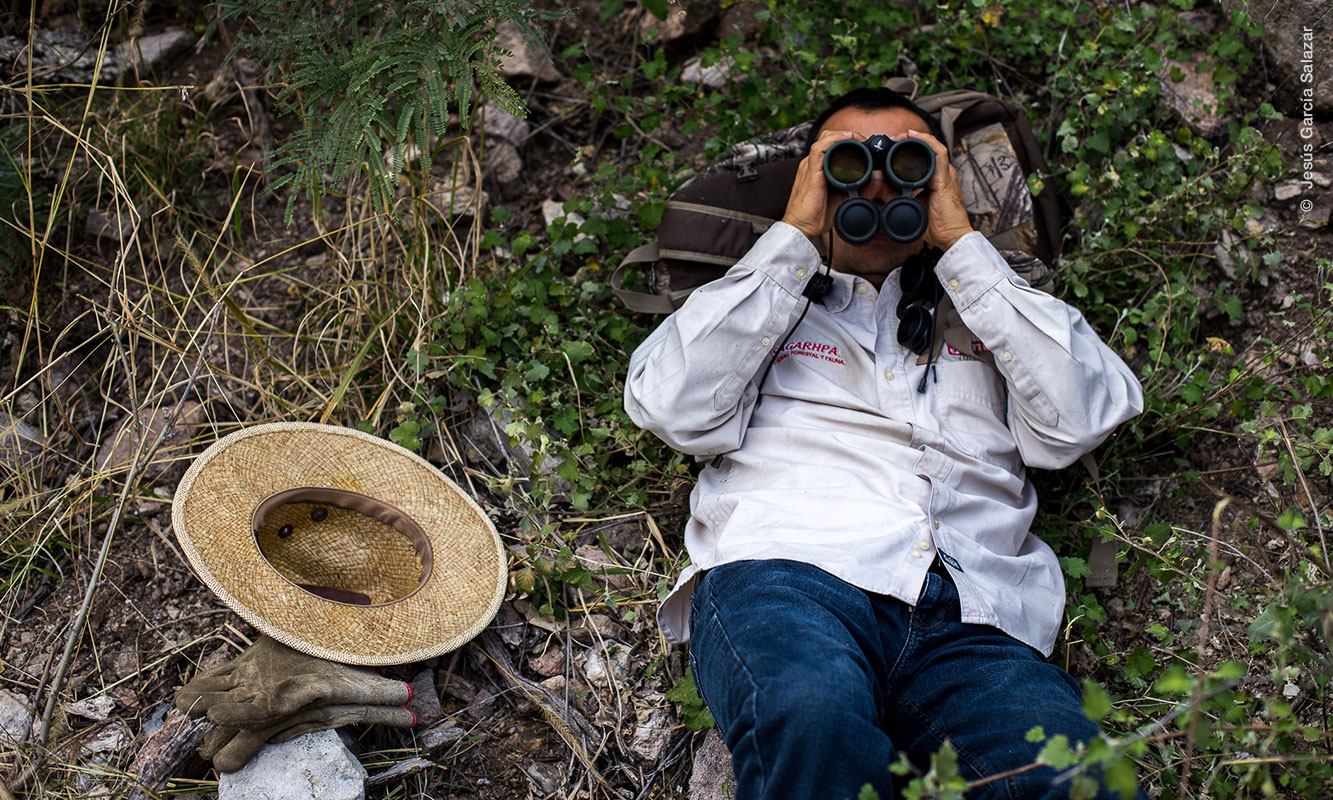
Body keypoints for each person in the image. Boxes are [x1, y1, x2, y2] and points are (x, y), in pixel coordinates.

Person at [623, 87, 1146, 800]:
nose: (875, 179)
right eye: (846, 161)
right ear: (812, 176)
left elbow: (1082, 418)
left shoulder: (987, 312)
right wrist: (793, 239)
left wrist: (963, 246)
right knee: (810, 716)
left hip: (970, 618)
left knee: (1079, 782)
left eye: (906, 162)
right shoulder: (761, 304)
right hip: (791, 578)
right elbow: (670, 407)